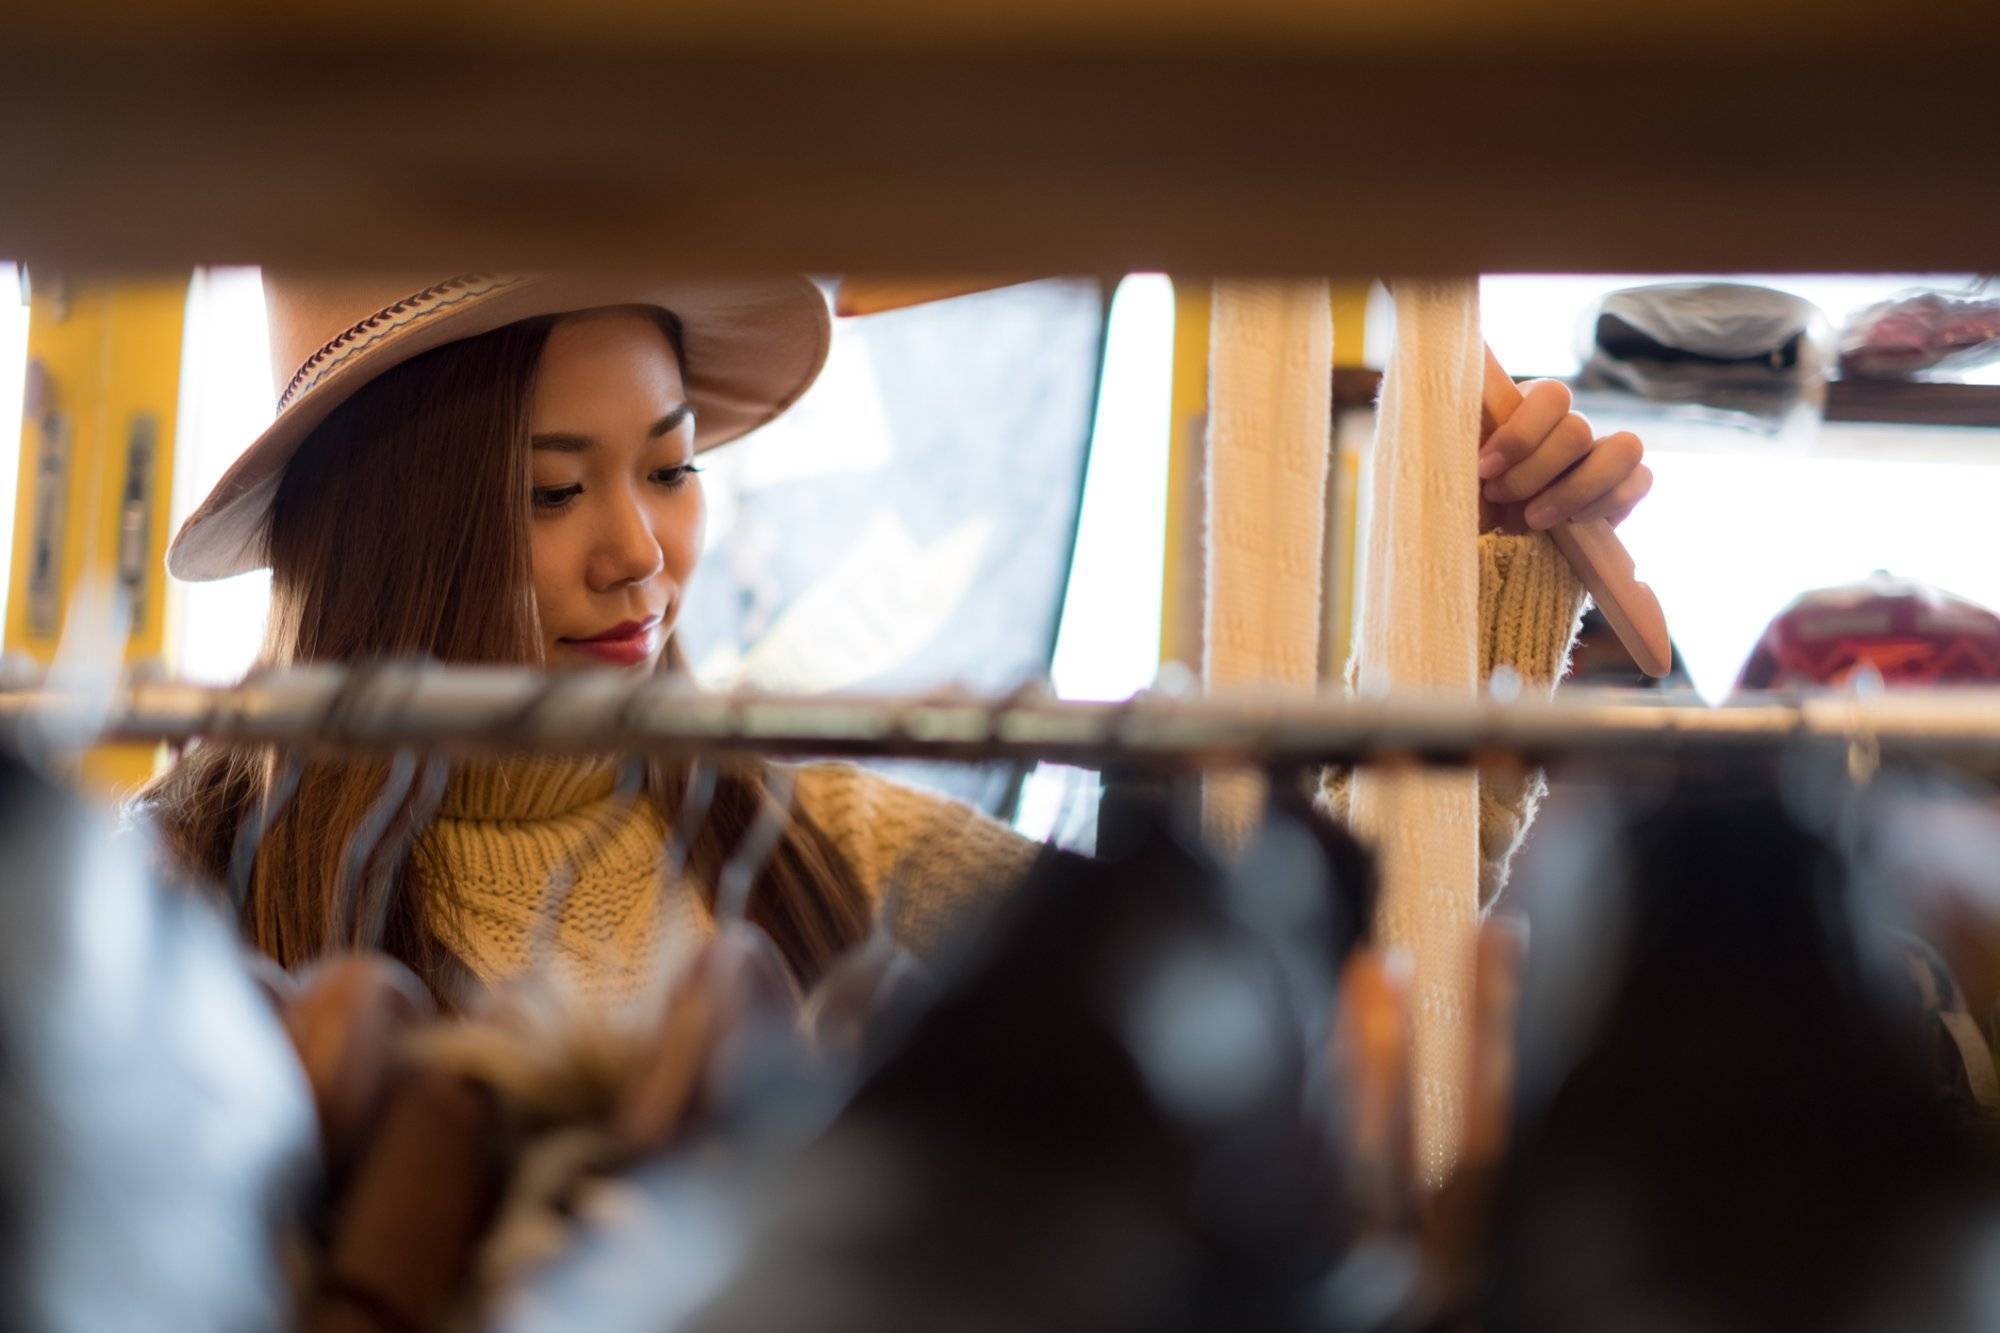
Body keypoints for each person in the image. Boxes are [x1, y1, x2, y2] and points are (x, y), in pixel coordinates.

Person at [139, 273, 1652, 1007]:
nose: (640, 552)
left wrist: (1492, 587)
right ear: (390, 527)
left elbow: (1283, 992)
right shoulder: (162, 892)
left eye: (671, 470)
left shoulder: (808, 844)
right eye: (551, 489)